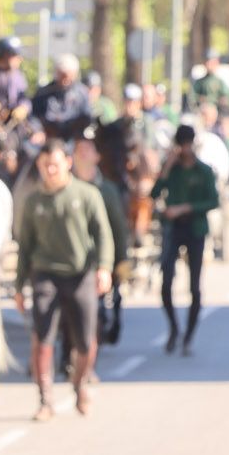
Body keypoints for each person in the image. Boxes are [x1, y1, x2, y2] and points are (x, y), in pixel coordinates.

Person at [12, 140, 113, 418]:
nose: (50, 170)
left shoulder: (87, 194)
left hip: (80, 274)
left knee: (85, 340)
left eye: (55, 164)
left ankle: (80, 383)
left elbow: (103, 234)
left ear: (68, 162)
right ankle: (45, 399)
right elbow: (25, 246)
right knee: (42, 336)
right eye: (45, 165)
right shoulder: (33, 201)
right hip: (45, 275)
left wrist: (104, 267)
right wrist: (19, 286)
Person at [152, 124, 220, 355]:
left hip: (195, 228)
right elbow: (153, 194)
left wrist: (185, 208)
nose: (184, 149)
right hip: (173, 229)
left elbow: (212, 201)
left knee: (194, 286)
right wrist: (166, 170)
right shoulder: (172, 170)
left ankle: (189, 336)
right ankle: (174, 328)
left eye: (187, 144)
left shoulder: (203, 171)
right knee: (166, 280)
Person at [72, 128, 131, 346]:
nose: (84, 154)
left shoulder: (107, 190)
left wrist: (122, 260)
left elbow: (118, 228)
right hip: (71, 261)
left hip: (97, 261)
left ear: (97, 157)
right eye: (79, 150)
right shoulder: (65, 189)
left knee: (92, 312)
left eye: (88, 150)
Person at [29, 54, 94, 144]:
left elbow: (87, 118)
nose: (65, 80)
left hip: (73, 139)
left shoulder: (82, 94)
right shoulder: (44, 92)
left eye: (68, 76)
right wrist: (37, 130)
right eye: (62, 75)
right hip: (47, 138)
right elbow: (33, 115)